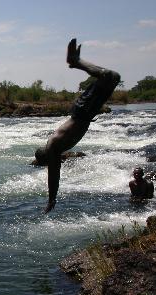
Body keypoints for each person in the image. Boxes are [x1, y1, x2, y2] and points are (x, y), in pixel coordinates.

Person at [34, 38, 120, 213]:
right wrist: (52, 199)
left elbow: (53, 176)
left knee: (109, 76)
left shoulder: (53, 146)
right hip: (86, 114)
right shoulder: (56, 148)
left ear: (47, 157)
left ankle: (75, 61)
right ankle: (75, 62)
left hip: (81, 112)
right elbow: (54, 173)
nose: (56, 162)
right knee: (113, 77)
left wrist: (51, 199)